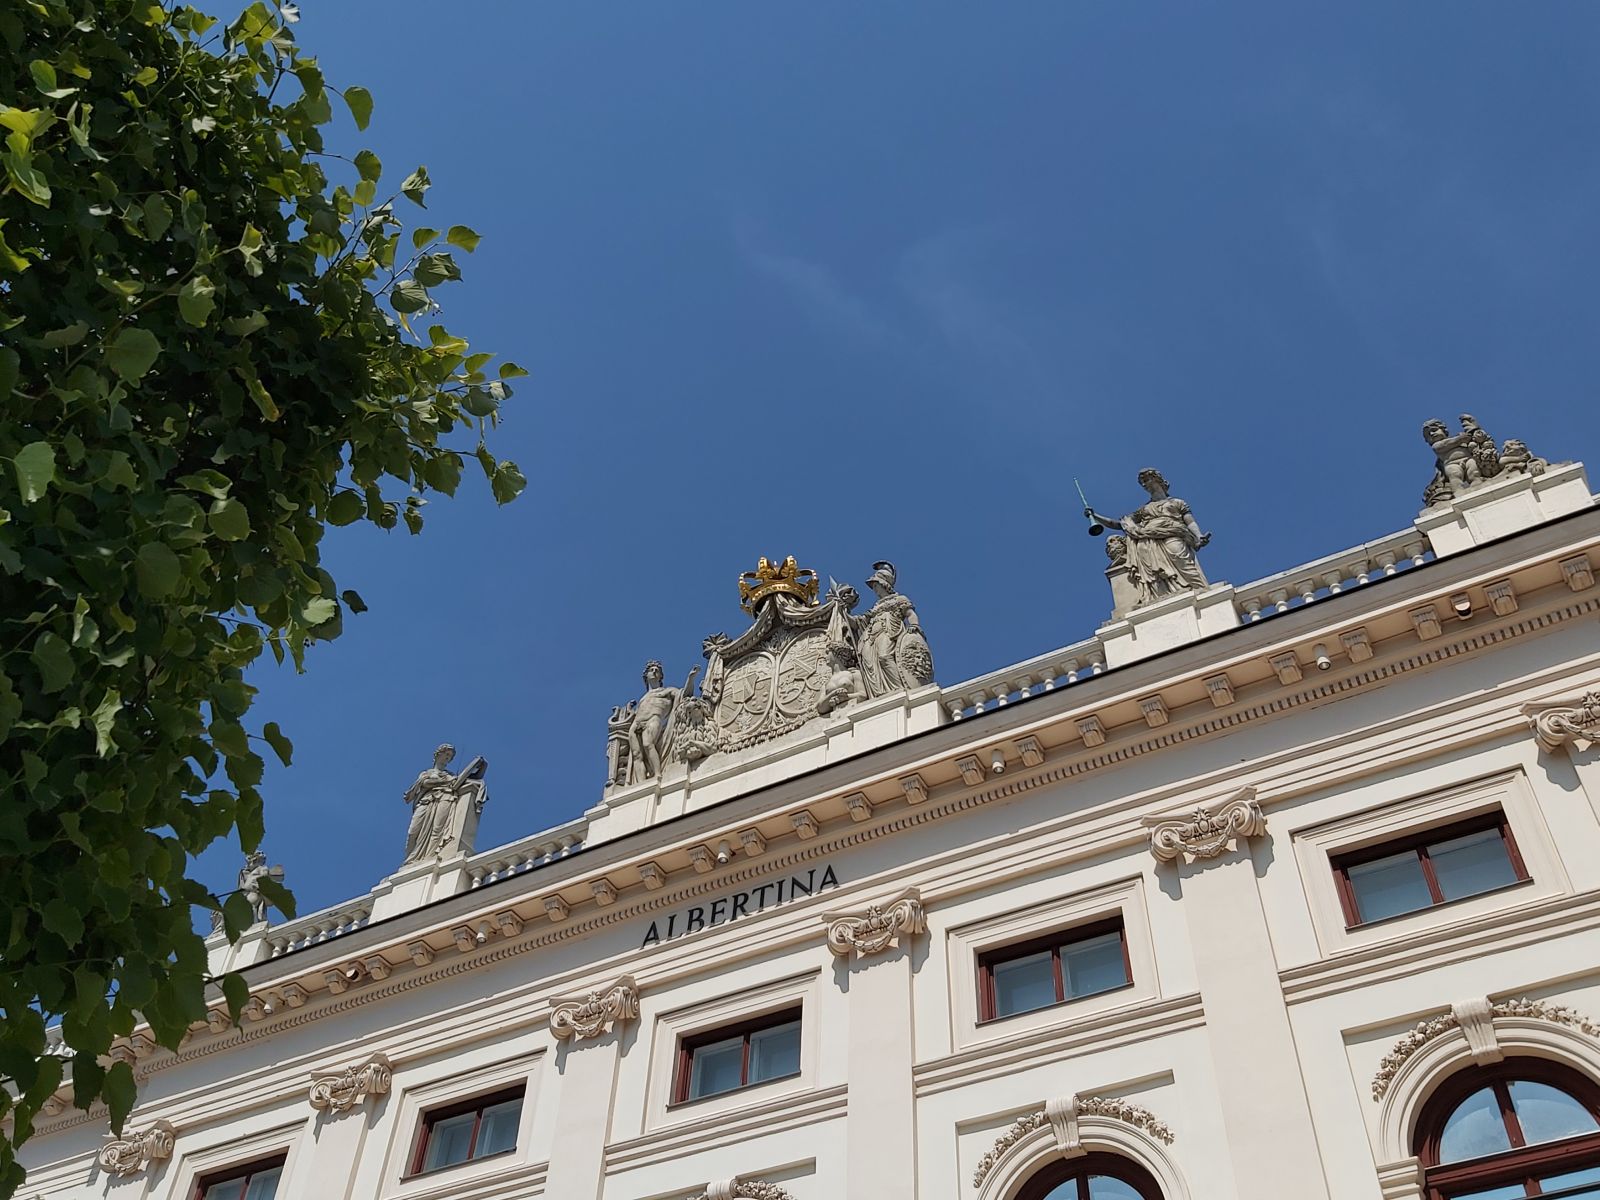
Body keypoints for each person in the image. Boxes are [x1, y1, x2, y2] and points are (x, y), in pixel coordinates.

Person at [1085, 469, 1210, 608]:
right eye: (1143, 482)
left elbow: (1190, 522)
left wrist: (1199, 536)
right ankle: (1160, 595)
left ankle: (1200, 590)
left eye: (1147, 479)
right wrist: (1096, 517)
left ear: (1157, 479)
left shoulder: (1177, 502)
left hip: (1173, 533)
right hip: (1147, 538)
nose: (1145, 484)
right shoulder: (1144, 509)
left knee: (1179, 556)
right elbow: (1121, 524)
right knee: (1151, 569)